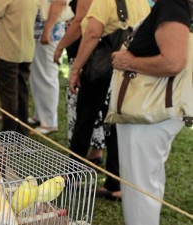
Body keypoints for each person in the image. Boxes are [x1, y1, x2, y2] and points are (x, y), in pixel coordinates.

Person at [111, 0, 191, 224]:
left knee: (139, 189)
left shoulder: (172, 4)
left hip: (149, 115)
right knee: (145, 183)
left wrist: (130, 62)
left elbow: (174, 62)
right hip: (151, 115)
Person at [67, 0, 150, 199]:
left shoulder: (104, 1)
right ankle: (115, 182)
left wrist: (76, 68)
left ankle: (72, 176)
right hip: (126, 72)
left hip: (100, 71)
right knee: (116, 126)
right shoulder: (142, 2)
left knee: (84, 121)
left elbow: (92, 34)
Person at [54, 0, 105, 165]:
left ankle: (77, 163)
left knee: (81, 112)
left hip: (87, 56)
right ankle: (95, 152)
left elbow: (80, 23)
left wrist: (60, 46)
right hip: (101, 57)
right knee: (98, 108)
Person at [0, 0, 39, 135]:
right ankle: (21, 130)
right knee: (21, 91)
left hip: (8, 48)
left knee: (8, 92)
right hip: (26, 48)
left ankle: (9, 132)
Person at [28, 0, 66, 135]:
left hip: (47, 32)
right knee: (36, 76)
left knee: (46, 76)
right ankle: (39, 115)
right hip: (38, 32)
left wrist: (47, 30)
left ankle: (49, 122)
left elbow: (60, 2)